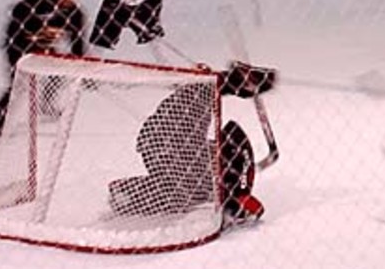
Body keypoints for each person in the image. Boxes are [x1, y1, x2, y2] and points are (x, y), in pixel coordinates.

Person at [108, 60, 277, 228]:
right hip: (165, 142)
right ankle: (126, 194)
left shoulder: (211, 181)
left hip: (163, 144)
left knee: (185, 193)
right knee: (188, 189)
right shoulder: (229, 173)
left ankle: (125, 195)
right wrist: (234, 81)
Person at [0, 0, 87, 136]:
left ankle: (47, 102)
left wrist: (80, 60)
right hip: (18, 46)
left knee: (59, 69)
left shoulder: (75, 14)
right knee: (18, 85)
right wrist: (37, 28)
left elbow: (78, 40)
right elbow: (17, 10)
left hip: (41, 49)